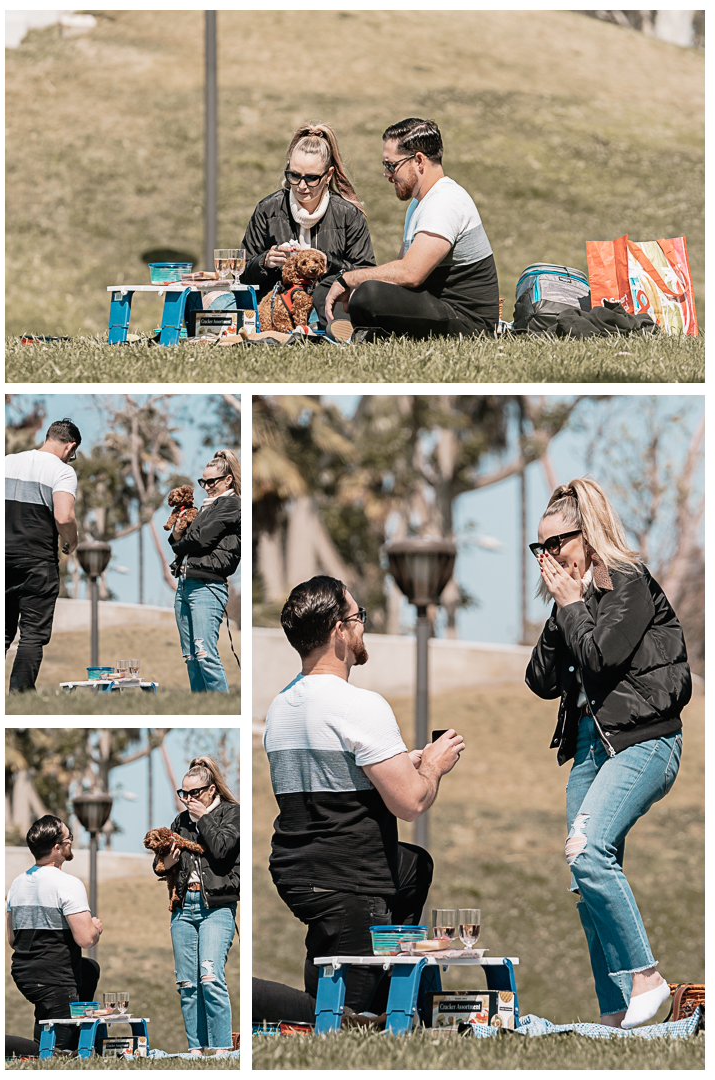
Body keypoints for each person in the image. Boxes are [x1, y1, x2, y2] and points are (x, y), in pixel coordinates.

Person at [253, 575, 465, 1025]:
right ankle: (246, 997)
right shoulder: (359, 705)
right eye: (357, 617)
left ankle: (405, 1003)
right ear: (338, 631)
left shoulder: (281, 706)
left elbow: (330, 779)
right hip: (349, 877)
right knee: (342, 1019)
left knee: (414, 868)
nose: (362, 627)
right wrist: (433, 765)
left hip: (299, 869)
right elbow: (410, 802)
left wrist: (398, 760)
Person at [525, 478, 691, 1030]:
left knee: (588, 849)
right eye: (540, 548)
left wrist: (572, 605)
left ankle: (646, 978)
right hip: (589, 750)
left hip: (646, 742)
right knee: (584, 877)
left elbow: (600, 658)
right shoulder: (572, 601)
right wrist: (561, 608)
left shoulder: (628, 583)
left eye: (557, 544)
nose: (548, 557)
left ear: (588, 534)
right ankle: (616, 1014)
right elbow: (540, 680)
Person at [324, 117, 500, 341]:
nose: (386, 174)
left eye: (391, 165)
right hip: (440, 308)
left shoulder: (445, 200)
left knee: (368, 293)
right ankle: (370, 333)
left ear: (418, 160)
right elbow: (398, 275)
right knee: (366, 290)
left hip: (469, 323)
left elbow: (410, 274)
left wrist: (349, 279)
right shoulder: (419, 204)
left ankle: (369, 333)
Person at [237, 122, 376, 328]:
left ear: (328, 175)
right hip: (274, 304)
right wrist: (265, 261)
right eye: (294, 175)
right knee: (216, 301)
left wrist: (328, 263)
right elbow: (241, 273)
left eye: (312, 178)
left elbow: (366, 273)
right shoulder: (268, 209)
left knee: (317, 312)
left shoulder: (349, 214)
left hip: (324, 303)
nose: (301, 186)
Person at [155, 756, 240, 1055]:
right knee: (187, 984)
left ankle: (220, 1050)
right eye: (184, 794)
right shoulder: (180, 822)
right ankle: (196, 1051)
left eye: (195, 793)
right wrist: (166, 863)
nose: (188, 799)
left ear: (212, 790)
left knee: (210, 977)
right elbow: (160, 864)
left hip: (216, 907)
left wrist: (203, 817)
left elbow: (221, 849)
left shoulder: (232, 813)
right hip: (183, 907)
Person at [7, 815, 103, 1053]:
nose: (71, 842)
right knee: (49, 1053)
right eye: (69, 838)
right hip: (55, 977)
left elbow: (12, 939)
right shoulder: (67, 884)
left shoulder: (17, 883)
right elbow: (85, 938)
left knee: (89, 969)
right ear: (58, 847)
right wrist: (96, 928)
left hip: (25, 973)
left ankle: (85, 1046)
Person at [6, 418, 81, 693]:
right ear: (70, 446)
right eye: (73, 455)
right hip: (36, 561)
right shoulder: (62, 471)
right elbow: (64, 516)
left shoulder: (6, 461)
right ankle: (20, 695)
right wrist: (71, 540)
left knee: (1, 633)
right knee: (32, 634)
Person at [168, 449, 241, 693]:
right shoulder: (206, 507)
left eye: (212, 481)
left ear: (228, 480)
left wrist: (180, 539)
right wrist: (179, 537)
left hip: (208, 587)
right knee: (190, 656)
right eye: (203, 482)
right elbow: (181, 538)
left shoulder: (230, 504)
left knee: (205, 653)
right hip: (186, 585)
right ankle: (202, 707)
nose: (206, 487)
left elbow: (199, 540)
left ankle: (220, 707)